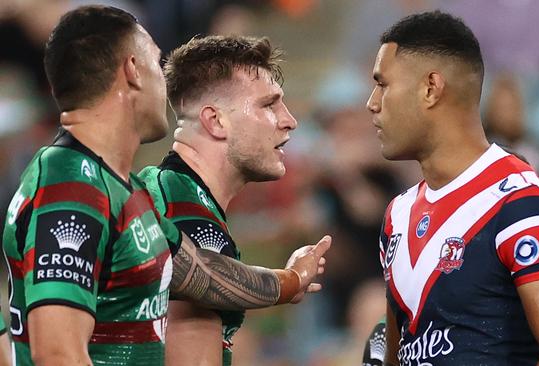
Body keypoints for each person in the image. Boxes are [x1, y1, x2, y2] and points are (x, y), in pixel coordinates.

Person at [1, 5, 329, 366]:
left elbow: (200, 273)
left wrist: (293, 280)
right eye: (158, 64)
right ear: (132, 71)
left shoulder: (123, 192)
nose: (167, 85)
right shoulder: (72, 182)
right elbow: (57, 354)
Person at [366, 11, 539, 365]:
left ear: (430, 88)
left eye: (383, 84)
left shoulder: (523, 205)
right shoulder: (396, 216)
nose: (372, 102)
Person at [137, 34, 308, 366]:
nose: (289, 120)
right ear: (215, 121)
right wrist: (293, 280)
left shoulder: (166, 192)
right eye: (269, 104)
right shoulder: (186, 211)